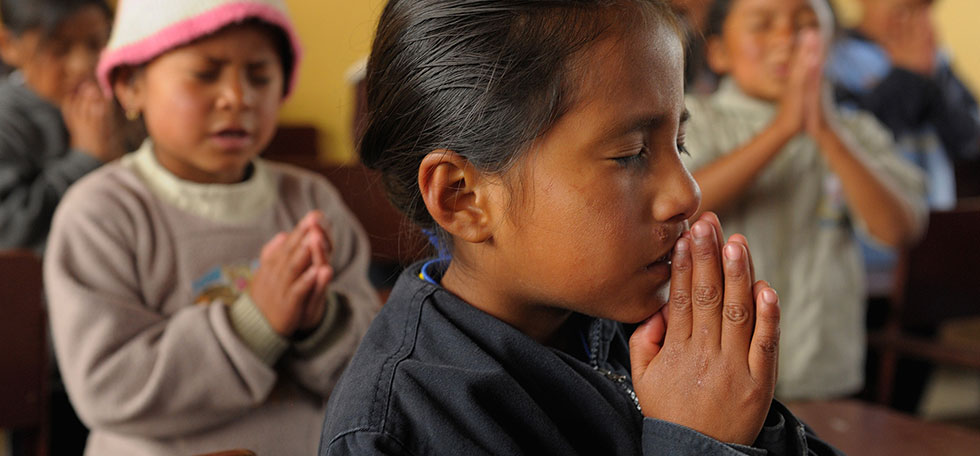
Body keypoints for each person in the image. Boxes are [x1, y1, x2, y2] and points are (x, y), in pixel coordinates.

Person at [320, 0, 841, 454]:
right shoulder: (406, 423)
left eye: (679, 145)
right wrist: (701, 443)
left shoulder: (637, 329)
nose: (687, 193)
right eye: (631, 154)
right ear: (464, 197)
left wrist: (745, 417)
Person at [44, 0, 380, 454]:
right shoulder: (101, 213)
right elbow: (109, 387)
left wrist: (319, 323)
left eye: (259, 76)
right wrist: (255, 322)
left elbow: (370, 373)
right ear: (129, 87)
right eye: (206, 73)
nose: (238, 97)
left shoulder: (310, 202)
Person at [683, 0, 927, 400]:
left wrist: (827, 133)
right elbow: (685, 207)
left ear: (831, 46)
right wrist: (783, 130)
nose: (787, 39)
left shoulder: (855, 131)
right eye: (763, 24)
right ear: (720, 53)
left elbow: (899, 228)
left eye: (806, 24)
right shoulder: (695, 119)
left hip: (822, 370)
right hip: (718, 374)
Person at [0, 0, 126, 254]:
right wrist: (85, 160)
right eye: (59, 49)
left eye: (95, 43)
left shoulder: (124, 98)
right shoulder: (0, 117)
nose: (83, 65)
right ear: (7, 45)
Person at [828, 0, 979, 211]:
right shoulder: (835, 58)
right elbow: (847, 143)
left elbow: (970, 143)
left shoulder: (936, 59)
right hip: (870, 225)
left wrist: (931, 78)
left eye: (922, 7)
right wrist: (906, 76)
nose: (910, 15)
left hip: (938, 220)